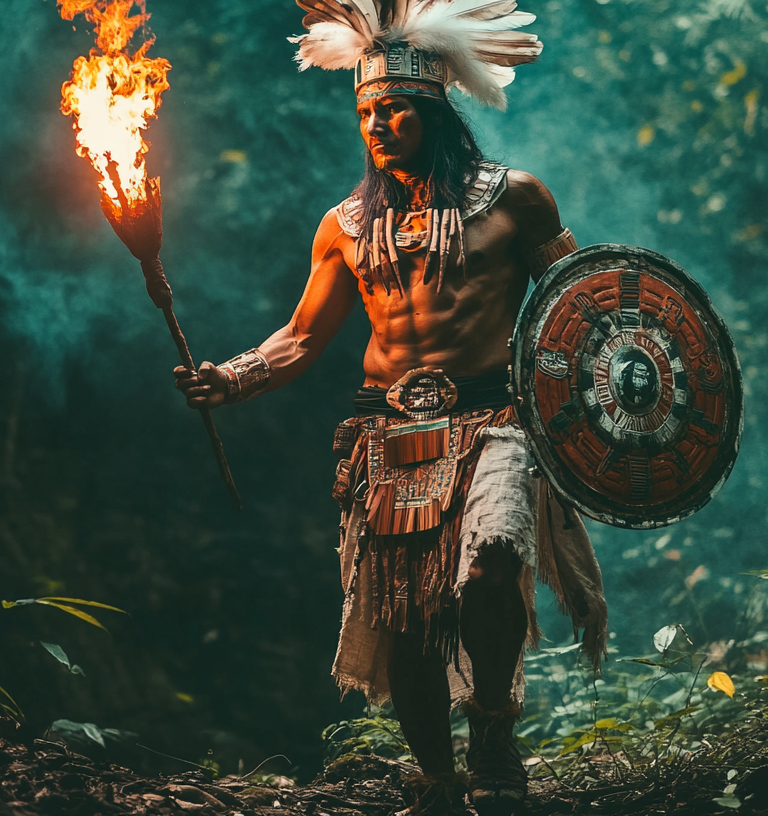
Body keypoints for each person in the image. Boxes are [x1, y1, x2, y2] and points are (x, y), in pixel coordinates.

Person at [108, 3, 608, 814]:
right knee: (404, 618)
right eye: (366, 112)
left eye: (396, 108)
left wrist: (604, 388)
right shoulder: (344, 228)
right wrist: (230, 377)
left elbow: (583, 302)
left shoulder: (516, 198)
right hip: (389, 435)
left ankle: (491, 728)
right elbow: (304, 338)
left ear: (436, 109)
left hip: (496, 422)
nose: (377, 123)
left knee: (491, 569)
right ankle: (441, 783)